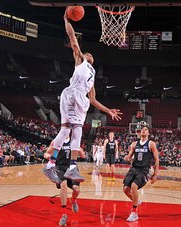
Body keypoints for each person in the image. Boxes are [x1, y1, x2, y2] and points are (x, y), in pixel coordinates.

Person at [43, 9, 122, 183]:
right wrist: (66, 20)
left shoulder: (92, 75)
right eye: (88, 53)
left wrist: (108, 111)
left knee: (68, 130)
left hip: (77, 98)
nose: (90, 54)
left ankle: (55, 165)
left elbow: (93, 100)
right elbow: (72, 37)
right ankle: (66, 166)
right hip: (73, 94)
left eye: (91, 54)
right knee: (73, 129)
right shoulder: (80, 60)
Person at [123, 126, 159, 222]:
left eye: (146, 129)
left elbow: (156, 159)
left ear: (148, 133)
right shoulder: (134, 144)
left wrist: (155, 174)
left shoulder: (151, 144)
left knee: (134, 186)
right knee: (126, 190)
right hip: (134, 168)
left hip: (145, 169)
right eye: (142, 129)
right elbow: (130, 156)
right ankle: (137, 201)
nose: (143, 130)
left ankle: (134, 213)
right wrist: (127, 157)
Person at [49, 138, 85, 226]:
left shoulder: (73, 141)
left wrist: (80, 150)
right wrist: (48, 156)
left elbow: (83, 155)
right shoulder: (56, 141)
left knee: (76, 190)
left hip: (71, 168)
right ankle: (64, 215)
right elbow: (47, 152)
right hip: (60, 168)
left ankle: (73, 200)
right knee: (63, 185)